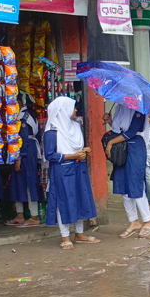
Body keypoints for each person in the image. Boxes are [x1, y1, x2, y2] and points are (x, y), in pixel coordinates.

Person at [45, 97, 99, 249]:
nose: (76, 110)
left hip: (78, 167)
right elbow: (50, 155)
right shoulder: (52, 131)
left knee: (80, 198)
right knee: (64, 201)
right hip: (63, 169)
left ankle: (79, 233)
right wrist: (73, 156)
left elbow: (76, 149)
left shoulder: (76, 126)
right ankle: (65, 236)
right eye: (73, 107)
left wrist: (83, 152)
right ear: (64, 110)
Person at [105, 107, 150, 239]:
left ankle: (148, 221)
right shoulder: (119, 108)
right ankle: (133, 221)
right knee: (123, 187)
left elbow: (131, 132)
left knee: (136, 185)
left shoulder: (139, 110)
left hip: (134, 148)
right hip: (122, 149)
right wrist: (110, 121)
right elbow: (119, 130)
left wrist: (110, 142)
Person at [6, 106, 41, 227]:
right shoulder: (26, 115)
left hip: (25, 153)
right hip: (25, 152)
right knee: (17, 183)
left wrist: (19, 158)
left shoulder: (23, 118)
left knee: (29, 183)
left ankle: (34, 215)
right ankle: (19, 214)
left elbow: (24, 140)